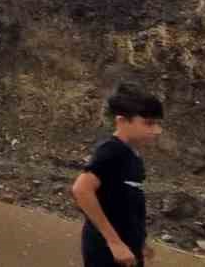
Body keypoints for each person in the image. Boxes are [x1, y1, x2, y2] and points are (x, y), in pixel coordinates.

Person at [70, 83, 165, 266]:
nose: (156, 130)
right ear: (122, 121)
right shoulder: (111, 151)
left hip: (128, 249)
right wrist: (114, 242)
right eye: (148, 123)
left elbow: (128, 204)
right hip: (107, 251)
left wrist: (140, 243)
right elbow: (81, 190)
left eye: (157, 124)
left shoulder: (132, 155)